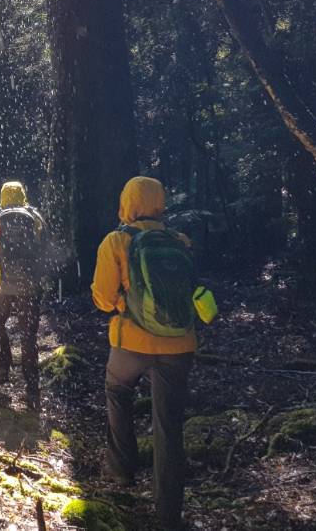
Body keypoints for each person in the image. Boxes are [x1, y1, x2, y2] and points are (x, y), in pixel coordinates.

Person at [91, 176, 216, 531]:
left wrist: (124, 304)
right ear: (159, 203)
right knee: (169, 424)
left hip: (131, 343)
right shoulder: (180, 241)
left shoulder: (116, 241)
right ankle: (168, 511)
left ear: (127, 202)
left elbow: (103, 299)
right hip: (179, 345)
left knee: (117, 391)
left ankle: (121, 469)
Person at [0, 181, 46, 410]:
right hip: (29, 287)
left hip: (1, 286)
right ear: (23, 195)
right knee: (28, 335)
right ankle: (32, 386)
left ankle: (2, 370)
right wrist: (43, 282)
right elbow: (45, 252)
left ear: (2, 195)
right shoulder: (34, 217)